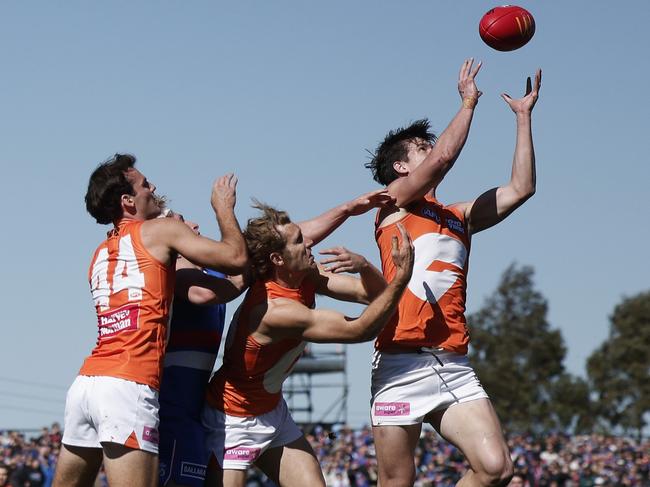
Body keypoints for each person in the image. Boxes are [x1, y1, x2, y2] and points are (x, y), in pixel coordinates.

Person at [365, 59, 542, 487]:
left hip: (452, 362)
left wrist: (522, 118)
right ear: (402, 169)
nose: (431, 148)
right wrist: (467, 104)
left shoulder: (458, 214)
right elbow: (444, 157)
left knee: (497, 468)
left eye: (428, 145)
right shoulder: (394, 205)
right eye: (419, 148)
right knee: (396, 482)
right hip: (398, 364)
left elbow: (521, 188)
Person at [53, 154, 248, 487]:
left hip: (86, 384)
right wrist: (223, 208)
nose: (152, 187)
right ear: (128, 201)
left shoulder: (100, 253)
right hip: (128, 385)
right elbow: (236, 257)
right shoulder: (159, 232)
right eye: (144, 184)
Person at [202, 202, 415, 487]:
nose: (310, 242)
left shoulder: (306, 276)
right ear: (278, 259)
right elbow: (361, 329)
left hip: (272, 412)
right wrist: (402, 277)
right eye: (299, 240)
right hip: (231, 419)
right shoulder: (275, 311)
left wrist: (364, 267)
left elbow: (373, 295)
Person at [158, 210, 247, 487]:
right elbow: (205, 293)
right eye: (183, 220)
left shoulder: (210, 271)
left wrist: (345, 210)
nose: (195, 224)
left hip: (197, 410)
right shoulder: (175, 272)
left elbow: (260, 247)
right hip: (172, 409)